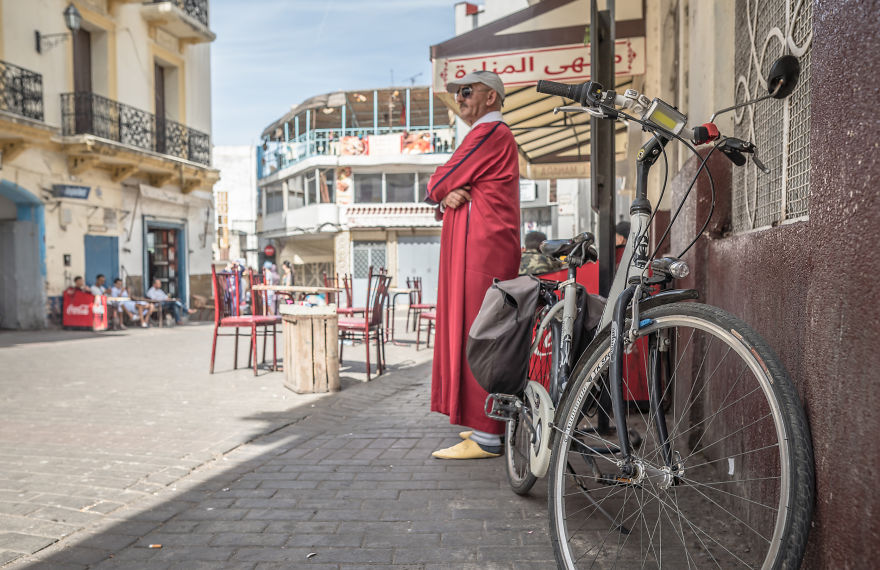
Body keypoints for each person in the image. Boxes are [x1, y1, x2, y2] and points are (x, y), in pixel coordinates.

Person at [424, 70, 521, 460]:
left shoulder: (489, 132)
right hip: (483, 245)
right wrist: (447, 195)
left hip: (480, 248)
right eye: (458, 92)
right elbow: (446, 187)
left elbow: (438, 180)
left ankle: (488, 435)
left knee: (479, 332)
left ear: (491, 97)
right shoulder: (488, 134)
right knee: (479, 330)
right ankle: (482, 422)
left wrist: (443, 190)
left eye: (467, 91)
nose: (460, 98)